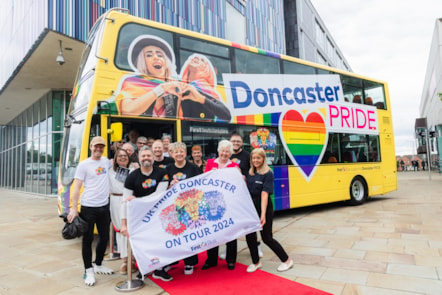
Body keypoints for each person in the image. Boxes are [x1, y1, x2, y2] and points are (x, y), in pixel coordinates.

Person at [113, 35, 231, 121]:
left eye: (160, 55)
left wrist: (200, 98)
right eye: (149, 55)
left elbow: (226, 114)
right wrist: (161, 89)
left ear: (166, 62)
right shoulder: (133, 83)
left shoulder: (180, 87)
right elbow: (127, 111)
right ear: (143, 62)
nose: (155, 57)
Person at [67, 136, 114, 286]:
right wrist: (74, 209)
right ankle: (88, 271)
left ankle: (99, 264)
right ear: (91, 147)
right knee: (87, 240)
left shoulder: (107, 162)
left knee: (104, 237)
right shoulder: (84, 165)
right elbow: (76, 187)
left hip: (104, 206)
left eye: (101, 146)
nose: (98, 149)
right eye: (96, 146)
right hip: (88, 207)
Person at [120, 146, 172, 281]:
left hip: (158, 215)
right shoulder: (132, 176)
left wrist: (137, 200)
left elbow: (158, 195)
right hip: (139, 217)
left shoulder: (162, 172)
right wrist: (123, 224)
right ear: (139, 158)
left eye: (149, 156)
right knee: (143, 244)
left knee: (160, 242)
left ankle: (159, 270)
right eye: (143, 156)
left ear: (153, 158)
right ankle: (145, 268)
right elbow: (125, 201)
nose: (146, 158)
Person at [245, 148, 294, 273]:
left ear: (263, 159)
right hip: (251, 208)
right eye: (253, 158)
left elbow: (264, 195)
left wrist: (262, 214)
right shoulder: (250, 173)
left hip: (264, 208)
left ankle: (287, 261)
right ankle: (256, 262)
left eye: (258, 158)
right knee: (250, 236)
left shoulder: (268, 173)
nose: (255, 160)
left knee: (267, 238)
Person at [202, 140, 240, 271]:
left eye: (227, 151)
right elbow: (204, 180)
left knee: (231, 231)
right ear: (218, 151)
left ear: (231, 153)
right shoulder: (210, 163)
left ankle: (231, 260)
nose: (224, 153)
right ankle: (211, 260)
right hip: (212, 202)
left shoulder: (234, 166)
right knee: (213, 232)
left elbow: (238, 185)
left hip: (229, 204)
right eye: (222, 150)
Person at [165, 142, 200, 275]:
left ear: (185, 153)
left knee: (189, 235)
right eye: (176, 152)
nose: (179, 154)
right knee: (174, 234)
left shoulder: (192, 168)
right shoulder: (168, 168)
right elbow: (164, 188)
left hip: (189, 206)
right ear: (172, 154)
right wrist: (170, 185)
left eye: (181, 151)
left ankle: (189, 263)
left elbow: (199, 184)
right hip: (174, 207)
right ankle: (172, 262)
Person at [109, 148, 136, 275]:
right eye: (119, 156)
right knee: (120, 231)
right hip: (115, 200)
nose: (122, 158)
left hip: (129, 201)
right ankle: (125, 260)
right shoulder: (110, 170)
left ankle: (133, 259)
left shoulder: (133, 170)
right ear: (115, 158)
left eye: (125, 155)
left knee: (131, 230)